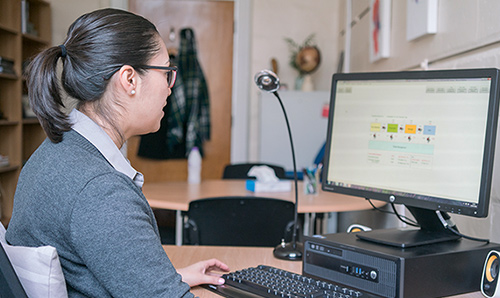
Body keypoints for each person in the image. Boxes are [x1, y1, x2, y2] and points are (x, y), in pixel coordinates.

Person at [6, 8, 229, 297]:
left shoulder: (54, 151)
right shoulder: (101, 190)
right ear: (129, 79)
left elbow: (96, 262)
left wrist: (169, 277)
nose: (170, 89)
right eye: (167, 72)